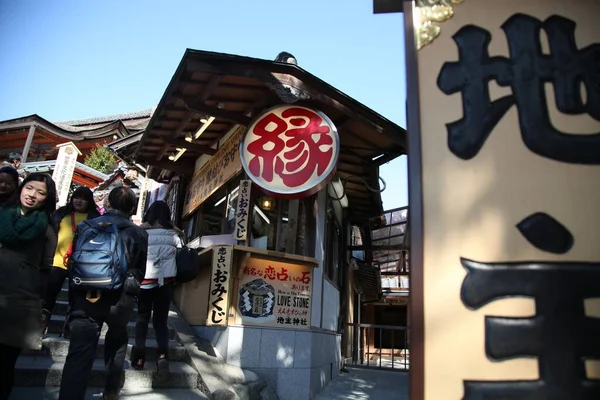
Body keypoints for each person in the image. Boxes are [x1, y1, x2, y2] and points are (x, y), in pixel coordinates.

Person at [59, 187, 148, 400]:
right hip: (119, 297)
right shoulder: (137, 232)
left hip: (85, 292)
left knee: (79, 352)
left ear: (107, 203)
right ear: (132, 208)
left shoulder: (86, 226)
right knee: (117, 341)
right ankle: (110, 391)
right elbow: (141, 269)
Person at [0, 173, 57, 400]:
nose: (32, 195)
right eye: (29, 188)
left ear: (47, 198)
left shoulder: (47, 227)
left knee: (5, 364)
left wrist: (44, 308)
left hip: (19, 301)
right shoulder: (2, 213)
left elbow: (47, 270)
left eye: (40, 192)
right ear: (21, 188)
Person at [132, 201, 184, 376]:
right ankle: (162, 355)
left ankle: (139, 356)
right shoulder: (175, 234)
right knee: (161, 321)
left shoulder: (141, 231)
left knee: (142, 318)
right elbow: (181, 254)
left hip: (145, 281)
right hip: (166, 282)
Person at [41, 186, 101, 335]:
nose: (78, 201)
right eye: (76, 197)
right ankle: (41, 324)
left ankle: (69, 326)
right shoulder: (62, 214)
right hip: (58, 260)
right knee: (49, 294)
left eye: (83, 198)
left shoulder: (94, 218)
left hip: (80, 264)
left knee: (75, 298)